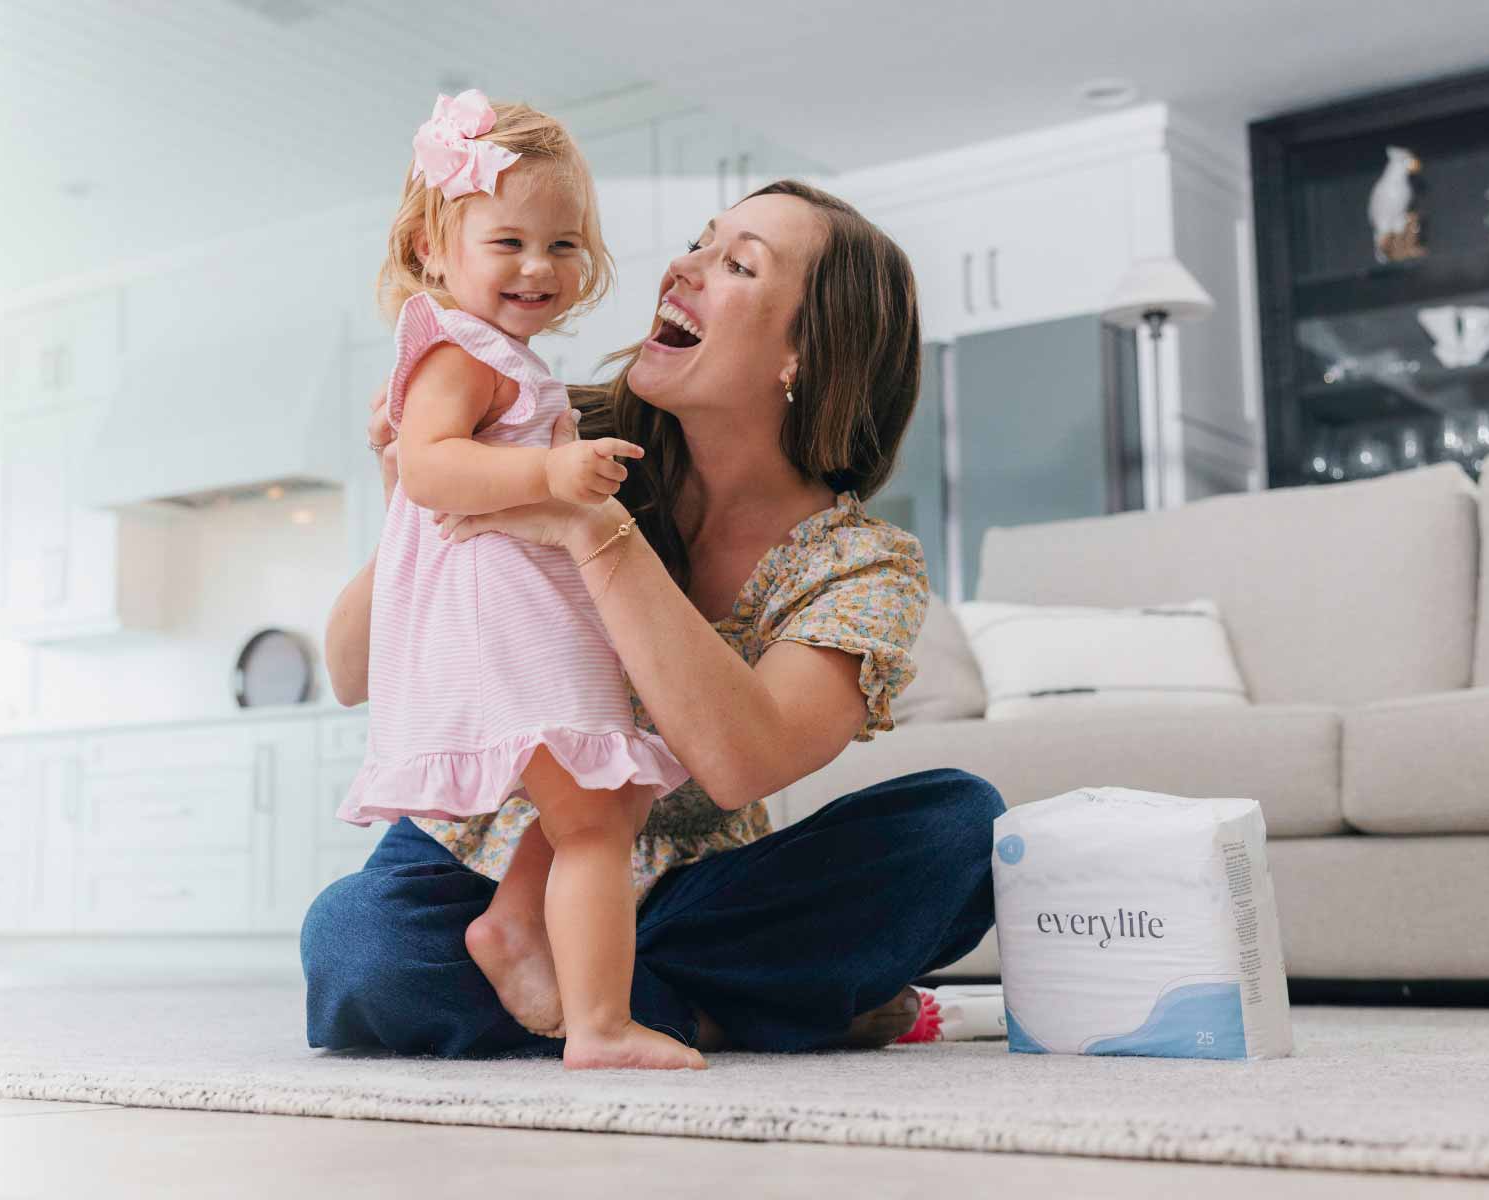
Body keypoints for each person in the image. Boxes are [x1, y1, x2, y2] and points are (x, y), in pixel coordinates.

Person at [304, 176, 1007, 1061]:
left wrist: (592, 530)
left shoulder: (860, 564)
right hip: (484, 871)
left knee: (960, 826)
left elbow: (742, 760)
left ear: (806, 354)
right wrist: (409, 500)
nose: (683, 267)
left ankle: (610, 998)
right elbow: (350, 673)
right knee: (361, 947)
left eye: (737, 265)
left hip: (692, 887)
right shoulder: (556, 437)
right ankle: (732, 1012)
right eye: (700, 240)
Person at [339, 89, 698, 1071]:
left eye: (564, 243)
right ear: (429, 247)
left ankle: (508, 924)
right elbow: (428, 467)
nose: (539, 267)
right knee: (591, 817)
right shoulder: (454, 350)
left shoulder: (504, 355)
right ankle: (599, 1027)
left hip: (534, 602)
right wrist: (546, 472)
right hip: (499, 616)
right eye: (508, 241)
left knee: (606, 801)